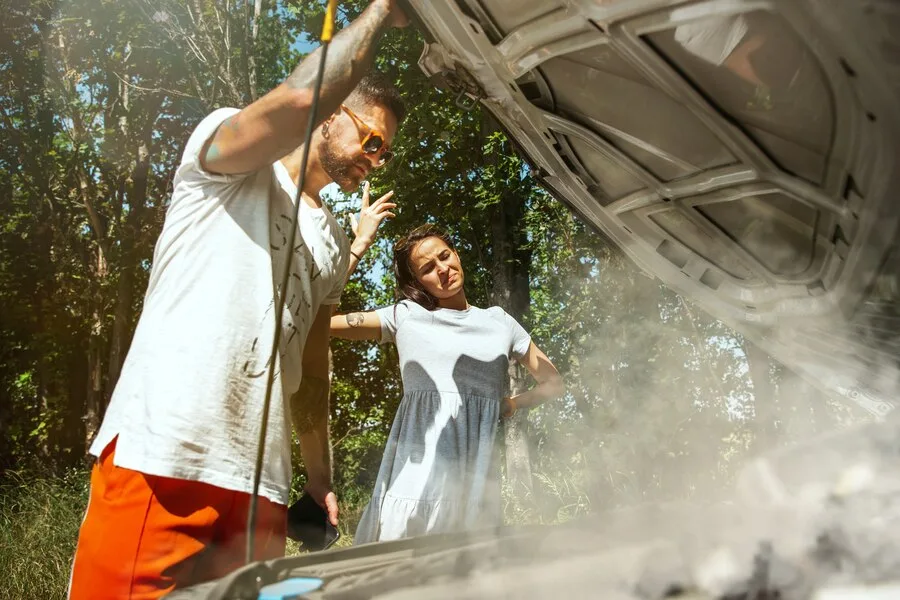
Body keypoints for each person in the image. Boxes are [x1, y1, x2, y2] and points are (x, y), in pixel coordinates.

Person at [68, 1, 407, 597]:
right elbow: (300, 100)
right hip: (170, 455)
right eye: (371, 138)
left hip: (264, 493)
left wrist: (319, 475)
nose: (373, 160)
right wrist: (382, 10)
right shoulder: (226, 156)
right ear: (333, 116)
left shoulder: (332, 240)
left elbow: (313, 365)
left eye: (384, 153)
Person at [330, 224, 564, 544]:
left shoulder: (499, 322)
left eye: (445, 256)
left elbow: (553, 383)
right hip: (412, 488)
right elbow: (322, 320)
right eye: (428, 268)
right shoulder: (405, 316)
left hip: (475, 487)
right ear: (416, 282)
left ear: (456, 254)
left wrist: (511, 403)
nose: (442, 269)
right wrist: (359, 245)